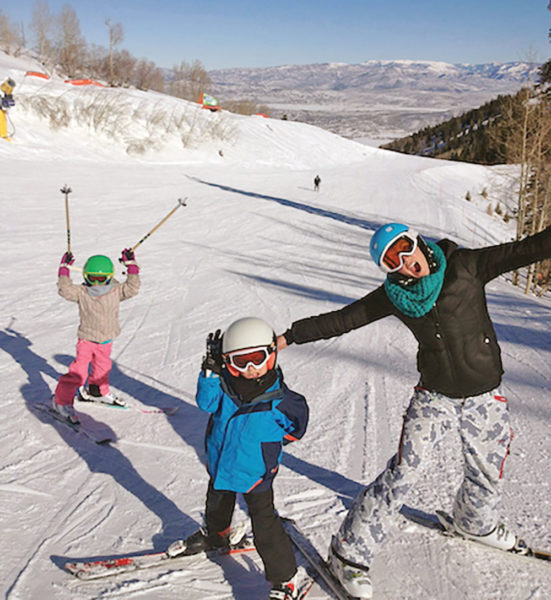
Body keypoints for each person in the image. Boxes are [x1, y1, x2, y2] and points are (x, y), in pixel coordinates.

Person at [277, 222, 551, 598]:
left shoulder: (466, 266)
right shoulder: (395, 295)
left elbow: (526, 250)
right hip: (435, 397)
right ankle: (348, 554)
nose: (404, 262)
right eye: (391, 261)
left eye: (404, 248)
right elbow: (345, 319)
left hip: (485, 396)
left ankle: (475, 522)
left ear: (417, 241)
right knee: (404, 471)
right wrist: (290, 336)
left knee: (488, 470)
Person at [172, 317, 309, 600]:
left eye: (256, 359)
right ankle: (216, 535)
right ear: (226, 361)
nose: (249, 369)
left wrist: (272, 442)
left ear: (271, 354)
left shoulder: (281, 400)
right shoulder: (223, 386)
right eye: (239, 361)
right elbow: (205, 404)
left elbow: (297, 426)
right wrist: (209, 373)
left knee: (265, 525)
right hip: (221, 462)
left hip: (255, 471)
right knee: (217, 503)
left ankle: (285, 579)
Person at [52, 249, 140, 423]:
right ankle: (60, 402)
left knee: (103, 367)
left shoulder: (116, 290)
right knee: (79, 373)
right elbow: (64, 290)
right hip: (87, 340)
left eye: (101, 279)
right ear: (86, 276)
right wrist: (64, 269)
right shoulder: (82, 292)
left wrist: (131, 266)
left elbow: (132, 288)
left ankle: (97, 391)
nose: (97, 283)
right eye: (93, 278)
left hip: (106, 339)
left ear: (109, 276)